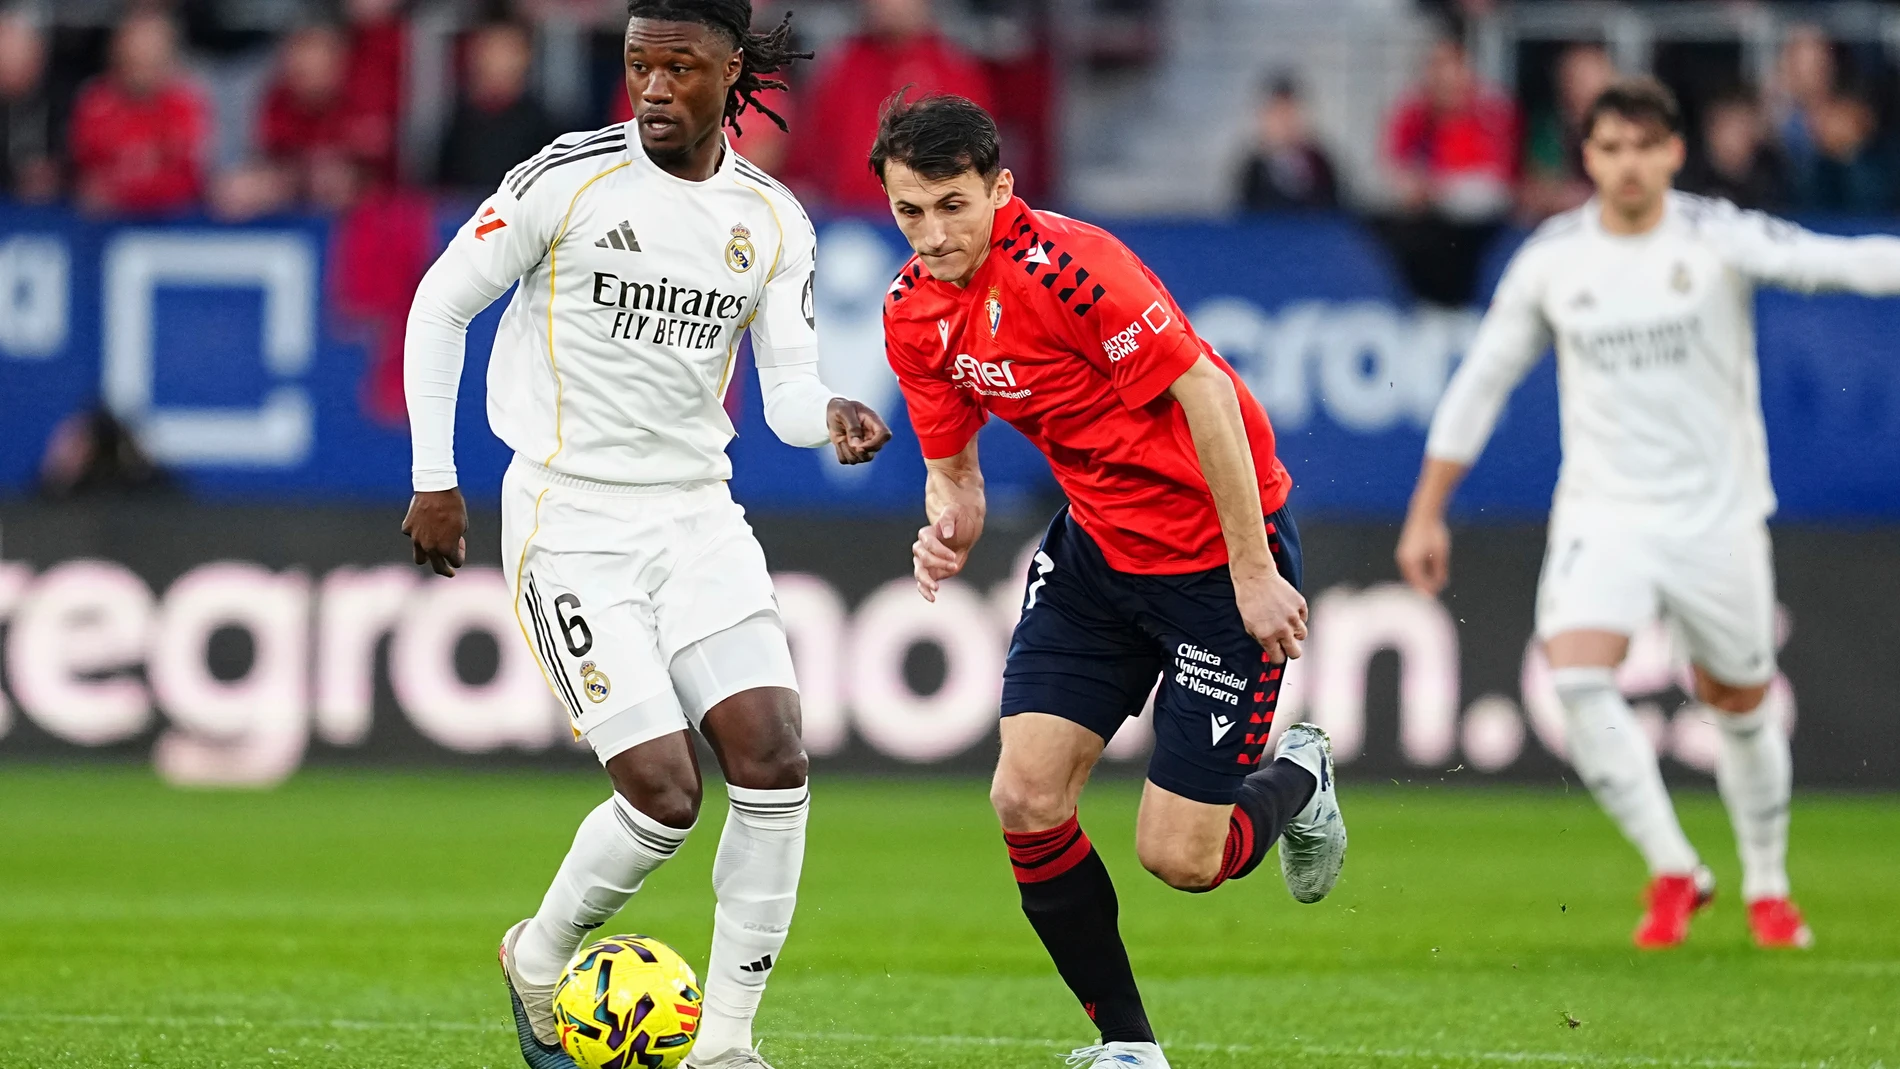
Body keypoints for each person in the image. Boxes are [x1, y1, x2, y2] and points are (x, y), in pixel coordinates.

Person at [399, 4, 893, 1069]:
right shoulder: (562, 179)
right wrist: (435, 479)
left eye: (679, 66)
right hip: (569, 519)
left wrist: (833, 415)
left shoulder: (770, 218)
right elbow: (441, 306)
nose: (654, 86)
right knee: (666, 794)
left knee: (774, 756)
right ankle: (539, 956)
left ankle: (725, 1045)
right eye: (638, 64)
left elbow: (789, 391)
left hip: (696, 516)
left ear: (734, 74)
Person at [877, 93, 1345, 1069]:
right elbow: (953, 474)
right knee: (1024, 797)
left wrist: (1253, 569)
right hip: (1096, 559)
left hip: (1218, 563)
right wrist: (947, 524)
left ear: (1000, 189)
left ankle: (1296, 777)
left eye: (952, 205)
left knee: (1182, 859)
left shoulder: (1071, 266)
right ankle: (1127, 1047)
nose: (932, 234)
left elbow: (1206, 391)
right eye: (910, 212)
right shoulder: (911, 314)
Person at [1396, 78, 1900, 951]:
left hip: (1718, 514)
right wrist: (1426, 511)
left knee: (1737, 700)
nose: (1628, 164)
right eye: (1609, 148)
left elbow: (1835, 261)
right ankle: (1676, 867)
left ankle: (1768, 885)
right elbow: (1481, 381)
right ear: (1587, 158)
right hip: (1606, 511)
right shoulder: (1554, 260)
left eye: (1644, 146)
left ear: (1672, 151)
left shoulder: (1715, 235)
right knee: (1578, 675)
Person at [790, 0, 991, 211]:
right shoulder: (839, 67)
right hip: (848, 222)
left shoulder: (955, 70)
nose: (889, 5)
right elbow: (807, 156)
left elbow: (974, 163)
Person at [67, 10, 210, 215]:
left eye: (150, 63)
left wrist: (126, 190)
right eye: (133, 63)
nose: (140, 74)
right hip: (106, 226)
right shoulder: (95, 103)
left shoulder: (186, 104)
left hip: (174, 226)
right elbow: (88, 178)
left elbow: (188, 180)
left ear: (168, 60)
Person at [434, 22, 560, 193]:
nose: (498, 61)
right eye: (490, 50)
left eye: (507, 51)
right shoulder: (458, 124)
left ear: (526, 56)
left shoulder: (544, 128)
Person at [1235, 74, 1338, 212]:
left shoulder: (1320, 164)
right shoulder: (1253, 169)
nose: (1284, 123)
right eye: (1278, 114)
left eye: (1289, 113)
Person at [1678, 91, 1789, 212]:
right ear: (1713, 130)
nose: (1742, 135)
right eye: (1733, 127)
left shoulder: (1773, 172)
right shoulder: (1687, 177)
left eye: (1747, 125)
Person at [0, 9, 59, 202]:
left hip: (42, 214)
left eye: (19, 58)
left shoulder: (60, 100)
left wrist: (59, 173)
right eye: (5, 59)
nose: (11, 66)